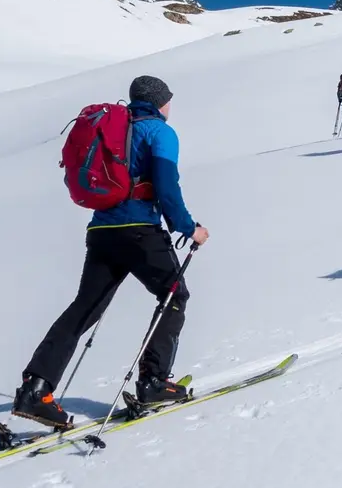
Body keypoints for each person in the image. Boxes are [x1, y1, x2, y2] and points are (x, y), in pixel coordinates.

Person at [14, 76, 210, 428]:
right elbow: (166, 187)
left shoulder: (113, 129)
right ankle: (153, 382)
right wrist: (189, 227)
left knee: (85, 307)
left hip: (101, 230)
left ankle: (36, 389)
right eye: (168, 99)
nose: (170, 105)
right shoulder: (159, 132)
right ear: (158, 101)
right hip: (139, 232)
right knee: (174, 296)